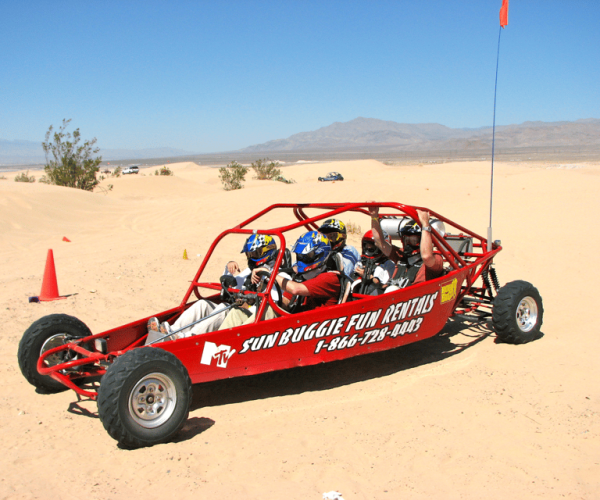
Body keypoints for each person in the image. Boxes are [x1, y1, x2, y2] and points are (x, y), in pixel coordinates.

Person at [146, 234, 281, 343]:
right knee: (202, 304)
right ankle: (171, 330)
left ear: (267, 252)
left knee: (223, 308)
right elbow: (233, 285)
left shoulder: (278, 275)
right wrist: (228, 269)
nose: (251, 258)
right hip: (237, 309)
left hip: (249, 317)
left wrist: (262, 282)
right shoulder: (249, 271)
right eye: (249, 255)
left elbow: (273, 304)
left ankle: (185, 338)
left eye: (255, 254)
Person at [368, 206, 444, 290]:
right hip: (394, 297)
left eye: (414, 240)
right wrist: (374, 217)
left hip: (416, 298)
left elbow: (426, 256)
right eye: (406, 239)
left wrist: (425, 225)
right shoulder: (401, 255)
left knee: (391, 289)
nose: (408, 244)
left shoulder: (436, 259)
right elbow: (380, 243)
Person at [353, 229, 396, 295]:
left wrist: (368, 276)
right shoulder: (361, 260)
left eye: (372, 246)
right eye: (367, 245)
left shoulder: (389, 264)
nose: (369, 247)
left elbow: (383, 286)